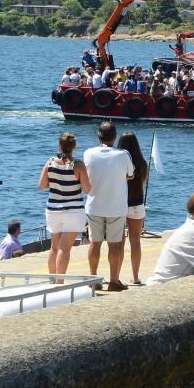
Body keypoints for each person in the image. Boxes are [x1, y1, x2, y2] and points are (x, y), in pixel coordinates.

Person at [83, 121, 134, 292]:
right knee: (114, 245)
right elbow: (130, 175)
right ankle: (113, 280)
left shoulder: (88, 154)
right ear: (115, 137)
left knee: (94, 243)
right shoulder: (123, 155)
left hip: (94, 205)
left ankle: (93, 279)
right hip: (115, 207)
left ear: (98, 136)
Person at [39, 131, 90, 276]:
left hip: (53, 209)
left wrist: (56, 182)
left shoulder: (50, 162)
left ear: (60, 146)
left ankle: (51, 280)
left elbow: (42, 185)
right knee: (65, 248)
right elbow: (87, 189)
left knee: (54, 247)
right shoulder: (78, 165)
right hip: (73, 211)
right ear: (74, 147)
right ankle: (59, 282)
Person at [115, 132, 148, 285]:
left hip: (120, 204)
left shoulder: (117, 163)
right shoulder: (142, 163)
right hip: (137, 204)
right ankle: (135, 277)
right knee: (135, 241)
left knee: (119, 242)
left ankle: (116, 276)